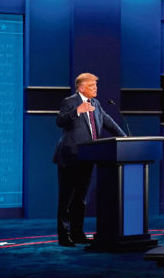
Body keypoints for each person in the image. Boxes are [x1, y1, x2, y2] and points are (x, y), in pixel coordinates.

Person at [52, 72, 126, 247]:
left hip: (88, 156)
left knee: (80, 199)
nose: (95, 88)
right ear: (81, 87)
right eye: (92, 86)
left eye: (96, 85)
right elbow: (60, 121)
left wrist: (125, 138)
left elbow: (107, 121)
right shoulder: (70, 101)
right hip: (70, 157)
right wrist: (77, 111)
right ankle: (64, 235)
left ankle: (78, 233)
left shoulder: (96, 103)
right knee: (67, 199)